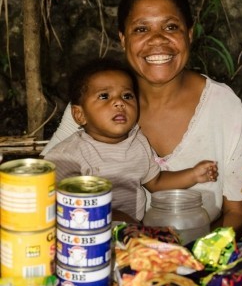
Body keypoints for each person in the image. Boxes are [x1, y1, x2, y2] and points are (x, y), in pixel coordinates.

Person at [42, 0, 242, 239]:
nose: (157, 40)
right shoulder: (95, 106)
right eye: (141, 29)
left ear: (189, 34)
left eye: (171, 27)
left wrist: (192, 256)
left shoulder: (224, 106)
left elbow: (237, 213)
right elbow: (42, 188)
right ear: (123, 39)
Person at [44, 58, 218, 222]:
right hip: (86, 238)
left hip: (131, 233)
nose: (119, 103)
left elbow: (156, 182)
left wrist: (193, 174)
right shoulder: (68, 156)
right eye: (104, 96)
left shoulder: (138, 142)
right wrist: (119, 219)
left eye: (127, 96)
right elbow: (56, 205)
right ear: (79, 115)